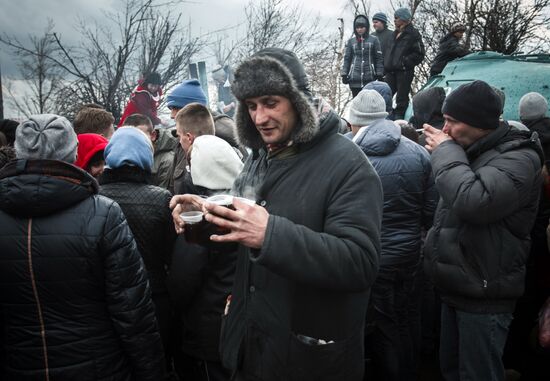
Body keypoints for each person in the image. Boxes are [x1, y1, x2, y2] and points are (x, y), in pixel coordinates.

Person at [170, 47, 383, 380]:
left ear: (297, 101)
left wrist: (270, 235)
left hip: (308, 360)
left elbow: (359, 262)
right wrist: (203, 217)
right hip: (250, 348)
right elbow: (241, 231)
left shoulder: (349, 165)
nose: (259, 118)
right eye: (251, 106)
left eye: (270, 103)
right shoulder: (258, 157)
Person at [0, 114, 165, 380]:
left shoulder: (102, 212)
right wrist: (153, 372)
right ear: (73, 152)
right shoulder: (103, 214)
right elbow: (131, 309)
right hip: (99, 365)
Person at [422, 80, 543, 381]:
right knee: (451, 372)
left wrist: (446, 153)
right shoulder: (475, 150)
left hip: (485, 293)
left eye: (452, 121)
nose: (445, 130)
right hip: (458, 286)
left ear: (479, 123)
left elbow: (475, 202)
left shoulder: (520, 157)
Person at [350, 89, 437, 381]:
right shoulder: (418, 152)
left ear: (355, 122)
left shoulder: (352, 158)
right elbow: (431, 210)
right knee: (409, 316)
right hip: (411, 254)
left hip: (376, 258)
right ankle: (412, 369)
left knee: (384, 326)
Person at [98, 126, 177, 377]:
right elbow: (171, 255)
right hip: (155, 299)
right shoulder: (161, 198)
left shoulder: (94, 198)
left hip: (105, 301)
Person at [168, 134, 243, 381]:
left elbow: (184, 279)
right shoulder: (249, 207)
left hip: (210, 331)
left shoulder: (200, 219)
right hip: (243, 324)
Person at [384, 7, 425, 120]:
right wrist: (386, 65)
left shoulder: (413, 34)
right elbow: (389, 52)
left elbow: (420, 53)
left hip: (404, 71)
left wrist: (404, 63)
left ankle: (400, 119)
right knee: (386, 94)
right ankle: (385, 116)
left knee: (402, 97)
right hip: (390, 71)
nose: (395, 20)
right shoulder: (393, 34)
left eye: (397, 18)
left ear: (403, 19)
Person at [341, 14, 384, 97]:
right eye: (357, 28)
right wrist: (344, 73)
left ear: (366, 27)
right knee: (356, 103)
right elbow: (347, 59)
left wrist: (379, 72)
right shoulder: (351, 41)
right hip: (354, 79)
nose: (359, 30)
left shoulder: (374, 40)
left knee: (368, 103)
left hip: (370, 78)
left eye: (362, 27)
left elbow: (378, 58)